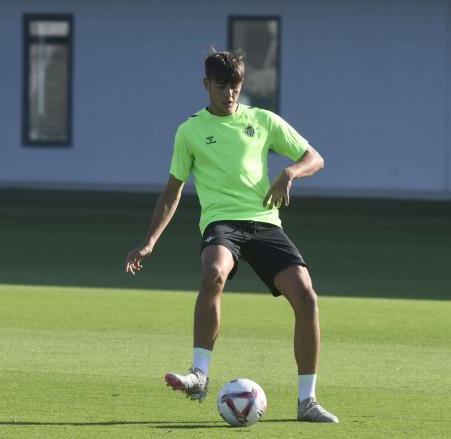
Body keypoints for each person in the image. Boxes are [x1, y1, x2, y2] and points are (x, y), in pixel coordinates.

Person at [125, 50, 338, 423]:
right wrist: (150, 241)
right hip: (222, 224)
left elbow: (314, 157)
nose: (229, 94)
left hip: (265, 223)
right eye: (221, 86)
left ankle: (308, 402)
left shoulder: (263, 120)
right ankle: (199, 375)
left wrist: (290, 172)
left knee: (307, 296)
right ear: (207, 84)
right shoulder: (190, 131)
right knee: (214, 274)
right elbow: (173, 190)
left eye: (235, 86)